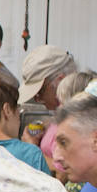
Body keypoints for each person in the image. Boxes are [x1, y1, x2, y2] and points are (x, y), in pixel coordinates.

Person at [18, 45, 79, 173]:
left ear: (60, 81)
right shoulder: (61, 113)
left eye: (40, 92)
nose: (37, 99)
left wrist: (32, 149)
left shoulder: (76, 117)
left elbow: (65, 171)